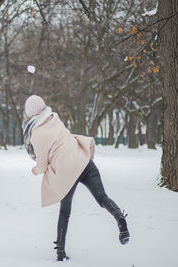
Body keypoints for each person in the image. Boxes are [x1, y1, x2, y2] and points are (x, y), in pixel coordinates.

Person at [22, 95, 129, 261]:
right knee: (102, 197)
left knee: (65, 211)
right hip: (83, 160)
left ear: (29, 113)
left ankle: (60, 253)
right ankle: (119, 216)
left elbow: (42, 165)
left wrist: (35, 170)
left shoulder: (36, 134)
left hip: (67, 171)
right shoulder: (54, 118)